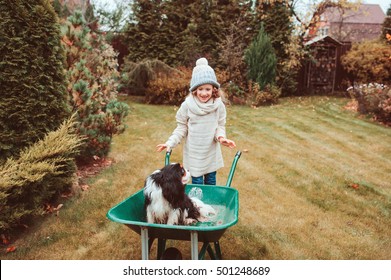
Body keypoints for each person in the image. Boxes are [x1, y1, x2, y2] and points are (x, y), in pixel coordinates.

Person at [156, 57, 236, 185]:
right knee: (197, 186)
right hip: (194, 156)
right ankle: (198, 205)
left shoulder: (218, 105)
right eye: (200, 89)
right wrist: (170, 143)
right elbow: (181, 127)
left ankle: (209, 205)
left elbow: (220, 125)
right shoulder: (187, 106)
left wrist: (221, 138)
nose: (204, 93)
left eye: (207, 89)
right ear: (194, 90)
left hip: (211, 153)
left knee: (211, 183)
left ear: (214, 89)